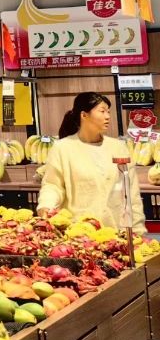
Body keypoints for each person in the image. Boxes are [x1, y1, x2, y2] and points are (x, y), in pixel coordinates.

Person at [38, 92, 146, 235]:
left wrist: (137, 229)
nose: (107, 116)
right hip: (80, 234)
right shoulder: (62, 148)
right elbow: (53, 185)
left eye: (108, 111)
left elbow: (131, 192)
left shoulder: (118, 148)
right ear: (84, 115)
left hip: (116, 232)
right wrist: (46, 205)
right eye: (102, 111)